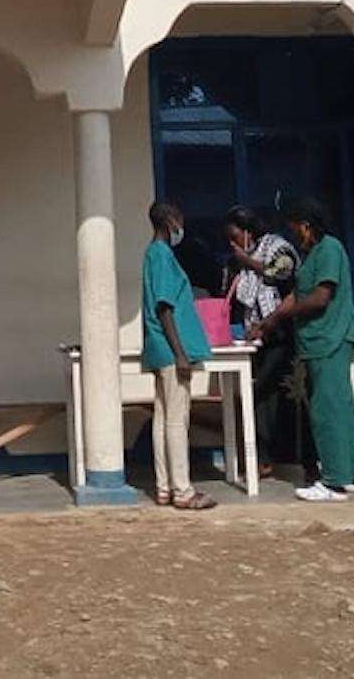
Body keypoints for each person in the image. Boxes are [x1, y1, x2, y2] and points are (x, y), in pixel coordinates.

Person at [265, 195, 354, 502]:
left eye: (295, 227)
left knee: (327, 408)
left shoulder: (330, 249)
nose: (294, 234)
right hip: (318, 340)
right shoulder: (312, 255)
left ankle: (334, 480)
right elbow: (297, 295)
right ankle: (351, 474)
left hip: (330, 337)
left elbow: (321, 297)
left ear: (307, 226)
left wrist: (288, 314)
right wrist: (270, 319)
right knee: (339, 404)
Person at [142, 199, 216, 511]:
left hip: (161, 350)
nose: (181, 227)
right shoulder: (161, 255)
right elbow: (165, 306)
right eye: (179, 220)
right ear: (171, 220)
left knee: (162, 418)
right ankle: (183, 490)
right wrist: (181, 353)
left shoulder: (154, 254)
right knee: (176, 420)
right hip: (171, 351)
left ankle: (164, 487)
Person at [226, 205, 301, 476]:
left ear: (248, 230)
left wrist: (249, 263)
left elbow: (283, 272)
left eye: (236, 236)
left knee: (268, 393)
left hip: (279, 331)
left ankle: (272, 456)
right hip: (256, 336)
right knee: (261, 396)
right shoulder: (244, 255)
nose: (233, 243)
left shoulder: (276, 246)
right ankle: (264, 456)